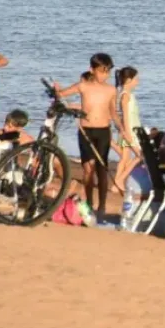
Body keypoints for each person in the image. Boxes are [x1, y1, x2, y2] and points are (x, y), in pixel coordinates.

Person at [55, 53, 121, 218]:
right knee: (87, 169)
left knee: (102, 168)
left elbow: (113, 112)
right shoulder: (83, 86)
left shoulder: (111, 90)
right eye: (102, 71)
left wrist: (121, 128)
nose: (105, 75)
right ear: (92, 70)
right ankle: (90, 203)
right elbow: (62, 94)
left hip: (103, 131)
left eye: (107, 72)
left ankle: (102, 205)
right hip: (86, 131)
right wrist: (57, 90)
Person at [113, 66, 142, 195]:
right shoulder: (125, 95)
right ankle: (120, 179)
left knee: (125, 158)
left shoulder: (127, 94)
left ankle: (116, 186)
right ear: (129, 80)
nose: (138, 81)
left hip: (129, 129)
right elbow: (125, 116)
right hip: (129, 130)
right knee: (140, 156)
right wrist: (128, 133)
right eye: (136, 79)